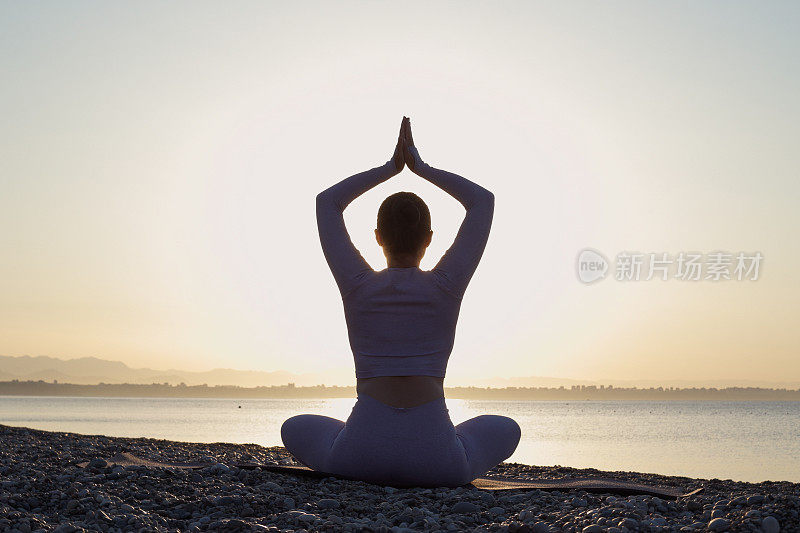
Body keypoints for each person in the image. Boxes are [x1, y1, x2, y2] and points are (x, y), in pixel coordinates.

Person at [281, 117, 520, 487]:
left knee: (294, 427)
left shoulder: (357, 285)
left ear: (377, 237)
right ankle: (423, 440)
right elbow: (482, 201)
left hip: (357, 457)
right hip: (440, 464)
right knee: (507, 428)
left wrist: (388, 169)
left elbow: (327, 203)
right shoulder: (446, 285)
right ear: (429, 238)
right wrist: (421, 168)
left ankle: (373, 435)